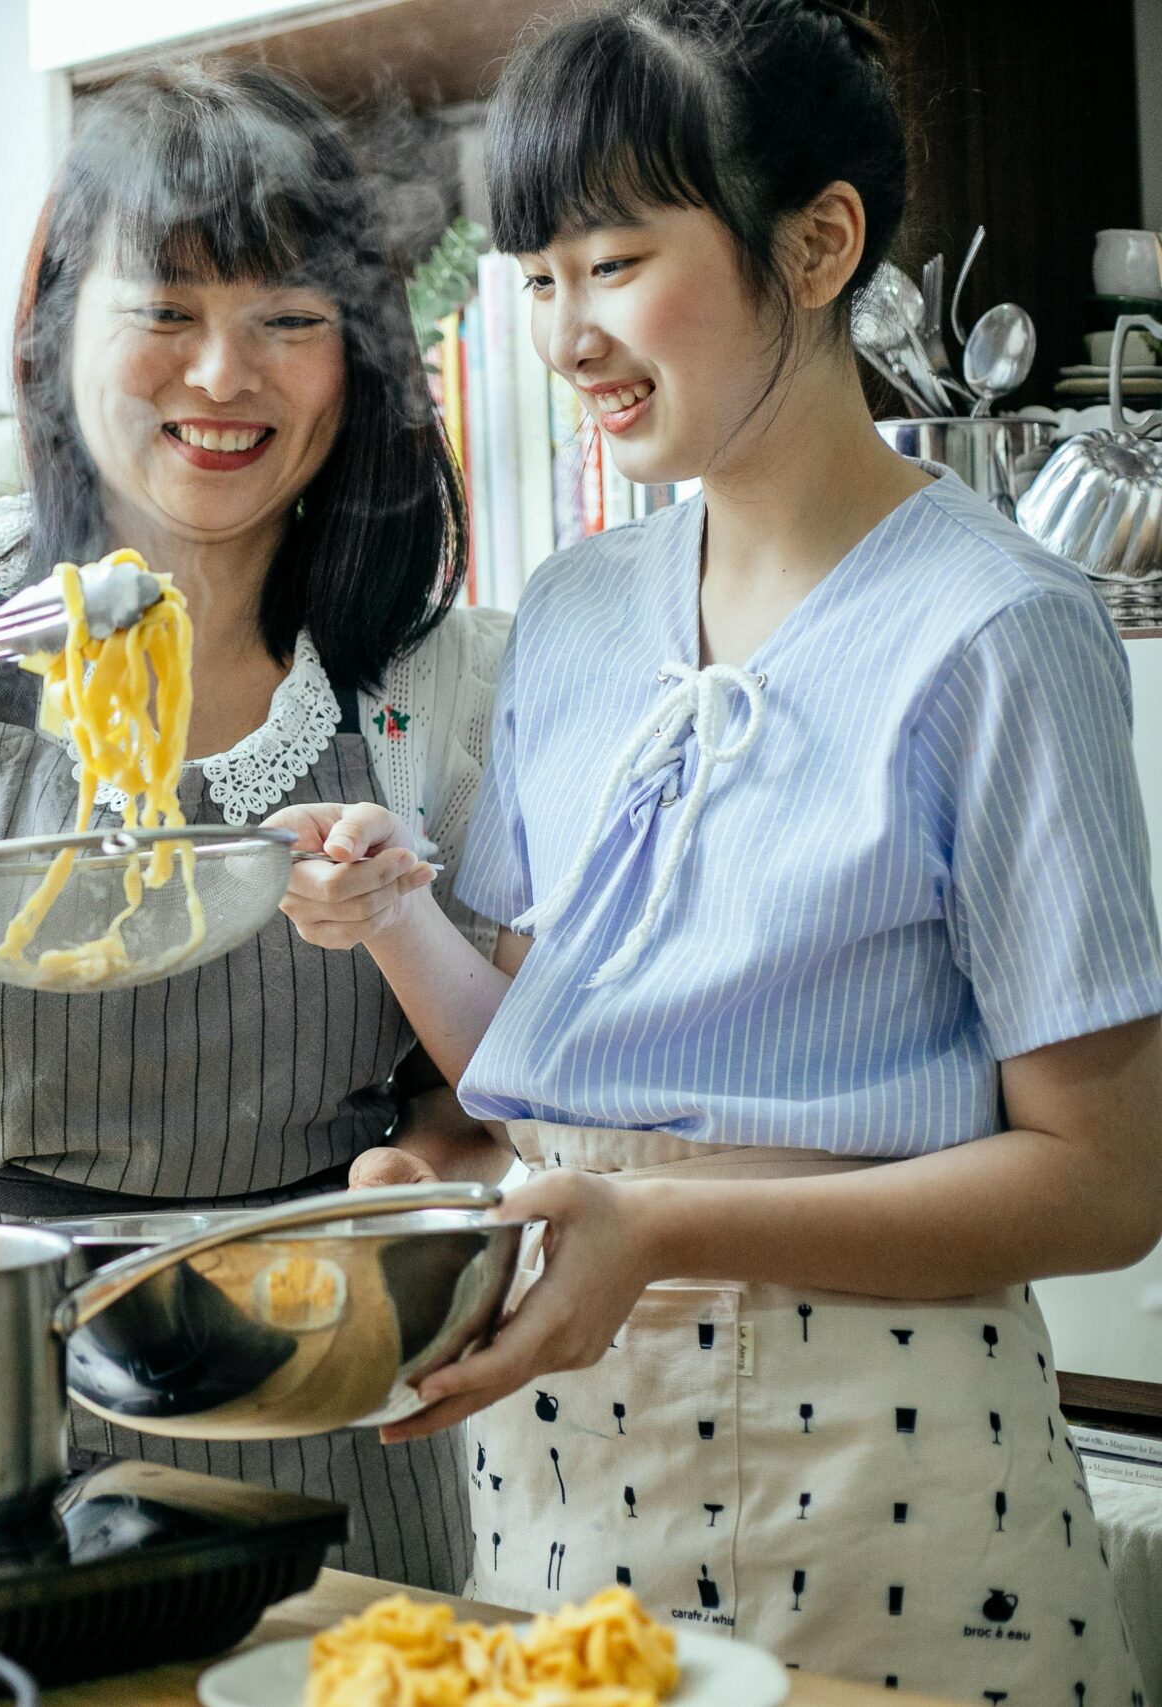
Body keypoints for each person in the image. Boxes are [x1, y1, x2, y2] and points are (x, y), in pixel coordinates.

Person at [272, 0, 1161, 1692]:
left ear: (817, 244)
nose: (563, 331)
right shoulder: (583, 612)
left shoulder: (1001, 630)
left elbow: (1108, 1184)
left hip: (888, 1477)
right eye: (536, 278)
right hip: (560, 1465)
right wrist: (409, 967)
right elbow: (549, 1059)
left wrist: (664, 1228)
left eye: (611, 261)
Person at [0, 62, 502, 1590]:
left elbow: (503, 1080)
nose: (223, 376)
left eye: (290, 320)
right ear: (57, 337)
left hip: (304, 1383)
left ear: (364, 357)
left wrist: (429, 1166)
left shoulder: (438, 678)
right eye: (168, 311)